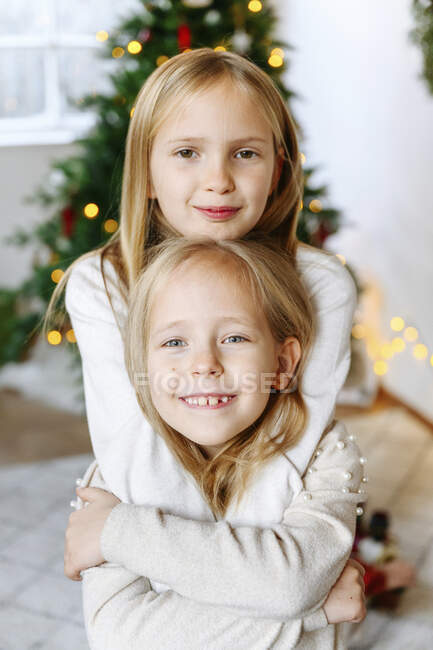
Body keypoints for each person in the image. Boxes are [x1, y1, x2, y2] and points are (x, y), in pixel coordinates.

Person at [41, 47, 366, 644]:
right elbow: (149, 478)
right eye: (188, 152)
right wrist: (302, 596)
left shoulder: (318, 285)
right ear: (146, 168)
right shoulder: (105, 285)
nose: (218, 178)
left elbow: (278, 464)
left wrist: (117, 533)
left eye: (245, 153)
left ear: (279, 168)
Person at [67, 237, 367, 649]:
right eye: (175, 343)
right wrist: (313, 611)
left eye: (234, 338)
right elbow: (117, 637)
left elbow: (290, 586)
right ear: (142, 367)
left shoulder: (326, 455)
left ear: (282, 364)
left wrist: (119, 531)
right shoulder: (114, 472)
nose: (204, 364)